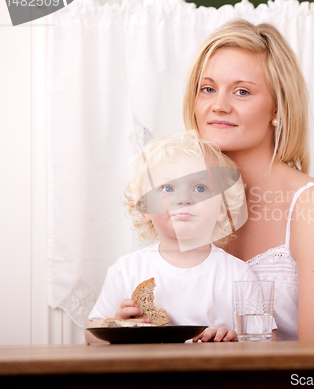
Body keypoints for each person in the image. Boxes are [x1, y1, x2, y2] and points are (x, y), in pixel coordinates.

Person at [183, 19, 314, 341]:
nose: (218, 106)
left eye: (242, 92)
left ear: (277, 108)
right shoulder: (187, 201)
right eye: (207, 89)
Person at [85, 131, 261, 344]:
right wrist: (117, 326)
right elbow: (90, 333)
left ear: (222, 208)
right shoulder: (126, 270)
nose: (184, 199)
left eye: (200, 187)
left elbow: (265, 341)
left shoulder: (238, 274)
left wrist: (235, 339)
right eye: (168, 188)